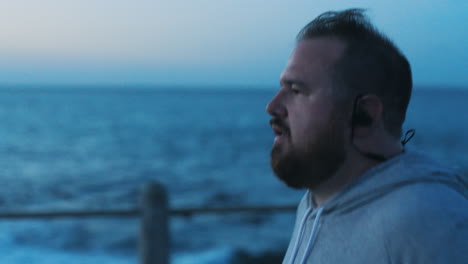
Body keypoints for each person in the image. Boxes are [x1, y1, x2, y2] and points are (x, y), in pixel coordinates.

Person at [266, 8, 467, 264]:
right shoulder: (314, 205)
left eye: (295, 90)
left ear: (365, 114)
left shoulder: (432, 224)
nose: (272, 106)